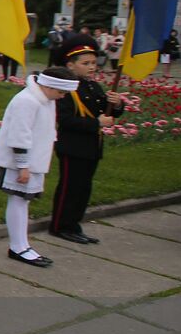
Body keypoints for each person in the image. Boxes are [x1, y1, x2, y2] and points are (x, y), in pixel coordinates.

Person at [0, 68, 79, 268]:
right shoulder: (28, 100)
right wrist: (23, 166)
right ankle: (18, 246)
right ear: (48, 86)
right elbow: (20, 135)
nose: (62, 97)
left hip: (32, 162)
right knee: (19, 201)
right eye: (61, 92)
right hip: (20, 163)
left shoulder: (46, 99)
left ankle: (22, 245)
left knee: (22, 202)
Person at [49, 34, 125, 244]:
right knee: (70, 188)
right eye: (86, 63)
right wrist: (96, 124)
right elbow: (65, 120)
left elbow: (106, 111)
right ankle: (60, 225)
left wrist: (116, 104)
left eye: (93, 62)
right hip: (72, 146)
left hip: (91, 146)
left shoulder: (93, 87)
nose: (92, 67)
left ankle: (74, 224)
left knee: (84, 188)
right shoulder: (67, 89)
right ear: (71, 66)